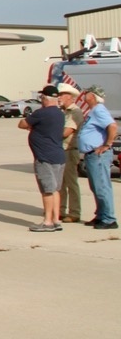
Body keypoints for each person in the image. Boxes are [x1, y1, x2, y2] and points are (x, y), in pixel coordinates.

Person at [19, 85, 66, 231]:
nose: (41, 100)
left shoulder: (42, 113)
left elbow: (22, 123)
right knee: (56, 189)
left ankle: (47, 222)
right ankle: (56, 219)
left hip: (45, 156)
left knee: (47, 190)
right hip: (58, 155)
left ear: (45, 98)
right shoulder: (60, 113)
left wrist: (31, 127)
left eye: (42, 98)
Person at [77, 86, 118, 230]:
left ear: (93, 96)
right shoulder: (94, 110)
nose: (84, 94)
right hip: (92, 155)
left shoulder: (99, 109)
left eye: (87, 92)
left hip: (98, 155)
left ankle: (109, 218)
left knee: (102, 187)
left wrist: (107, 145)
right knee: (96, 187)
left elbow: (112, 126)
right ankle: (101, 215)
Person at [57, 83, 84, 222]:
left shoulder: (75, 112)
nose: (59, 98)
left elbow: (67, 132)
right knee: (60, 183)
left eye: (61, 95)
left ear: (70, 97)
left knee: (71, 182)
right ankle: (60, 210)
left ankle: (74, 212)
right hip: (62, 150)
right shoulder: (64, 112)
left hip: (69, 150)